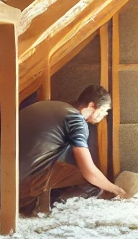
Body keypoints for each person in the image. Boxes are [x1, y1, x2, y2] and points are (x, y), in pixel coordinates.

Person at [18, 85, 122, 213]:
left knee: (67, 170)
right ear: (91, 105)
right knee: (93, 184)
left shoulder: (56, 108)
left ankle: (37, 205)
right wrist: (116, 190)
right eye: (104, 110)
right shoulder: (75, 120)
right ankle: (52, 213)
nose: (104, 115)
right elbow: (89, 171)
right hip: (26, 181)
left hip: (6, 178)